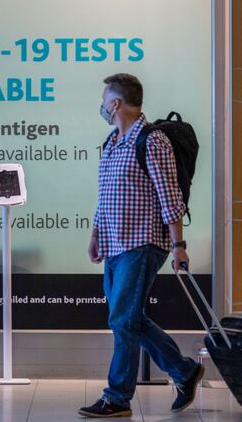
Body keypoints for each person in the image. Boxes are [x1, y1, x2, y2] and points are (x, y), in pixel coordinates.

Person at [79, 74, 203, 418]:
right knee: (129, 319)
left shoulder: (152, 141)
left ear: (116, 103)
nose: (103, 105)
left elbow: (170, 197)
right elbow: (105, 196)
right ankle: (184, 370)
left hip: (144, 241)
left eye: (106, 99)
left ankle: (118, 397)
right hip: (115, 243)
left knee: (122, 319)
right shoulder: (112, 141)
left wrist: (179, 244)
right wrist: (95, 234)